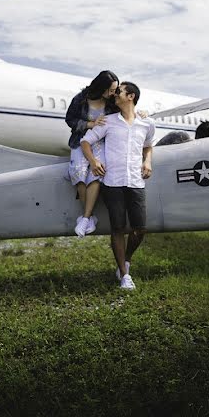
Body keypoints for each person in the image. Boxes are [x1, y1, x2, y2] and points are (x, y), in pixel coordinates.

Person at [81, 82, 154, 290]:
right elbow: (85, 142)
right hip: (112, 182)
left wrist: (147, 161)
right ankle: (124, 275)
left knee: (140, 229)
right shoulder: (108, 122)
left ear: (130, 96)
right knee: (118, 228)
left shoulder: (146, 123)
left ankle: (126, 260)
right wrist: (94, 162)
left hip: (136, 181)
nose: (115, 94)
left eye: (119, 91)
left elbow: (148, 146)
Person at [65, 70, 119, 238]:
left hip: (102, 143)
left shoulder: (112, 102)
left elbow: (126, 111)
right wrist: (90, 124)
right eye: (110, 90)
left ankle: (85, 218)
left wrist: (141, 113)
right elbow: (70, 120)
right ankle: (90, 217)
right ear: (101, 87)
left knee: (96, 172)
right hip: (80, 141)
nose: (113, 93)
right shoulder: (80, 99)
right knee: (79, 174)